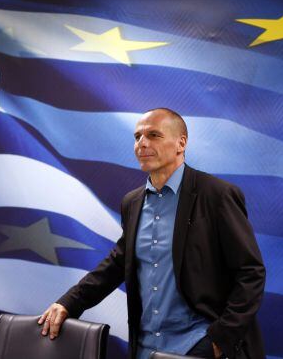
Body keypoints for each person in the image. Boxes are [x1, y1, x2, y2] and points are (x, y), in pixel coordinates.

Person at [38, 108, 266, 358]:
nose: (142, 143)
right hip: (145, 349)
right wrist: (69, 302)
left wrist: (220, 339)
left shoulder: (217, 195)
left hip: (199, 346)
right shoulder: (132, 202)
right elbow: (117, 264)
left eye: (154, 135)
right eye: (137, 137)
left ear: (181, 143)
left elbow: (250, 272)